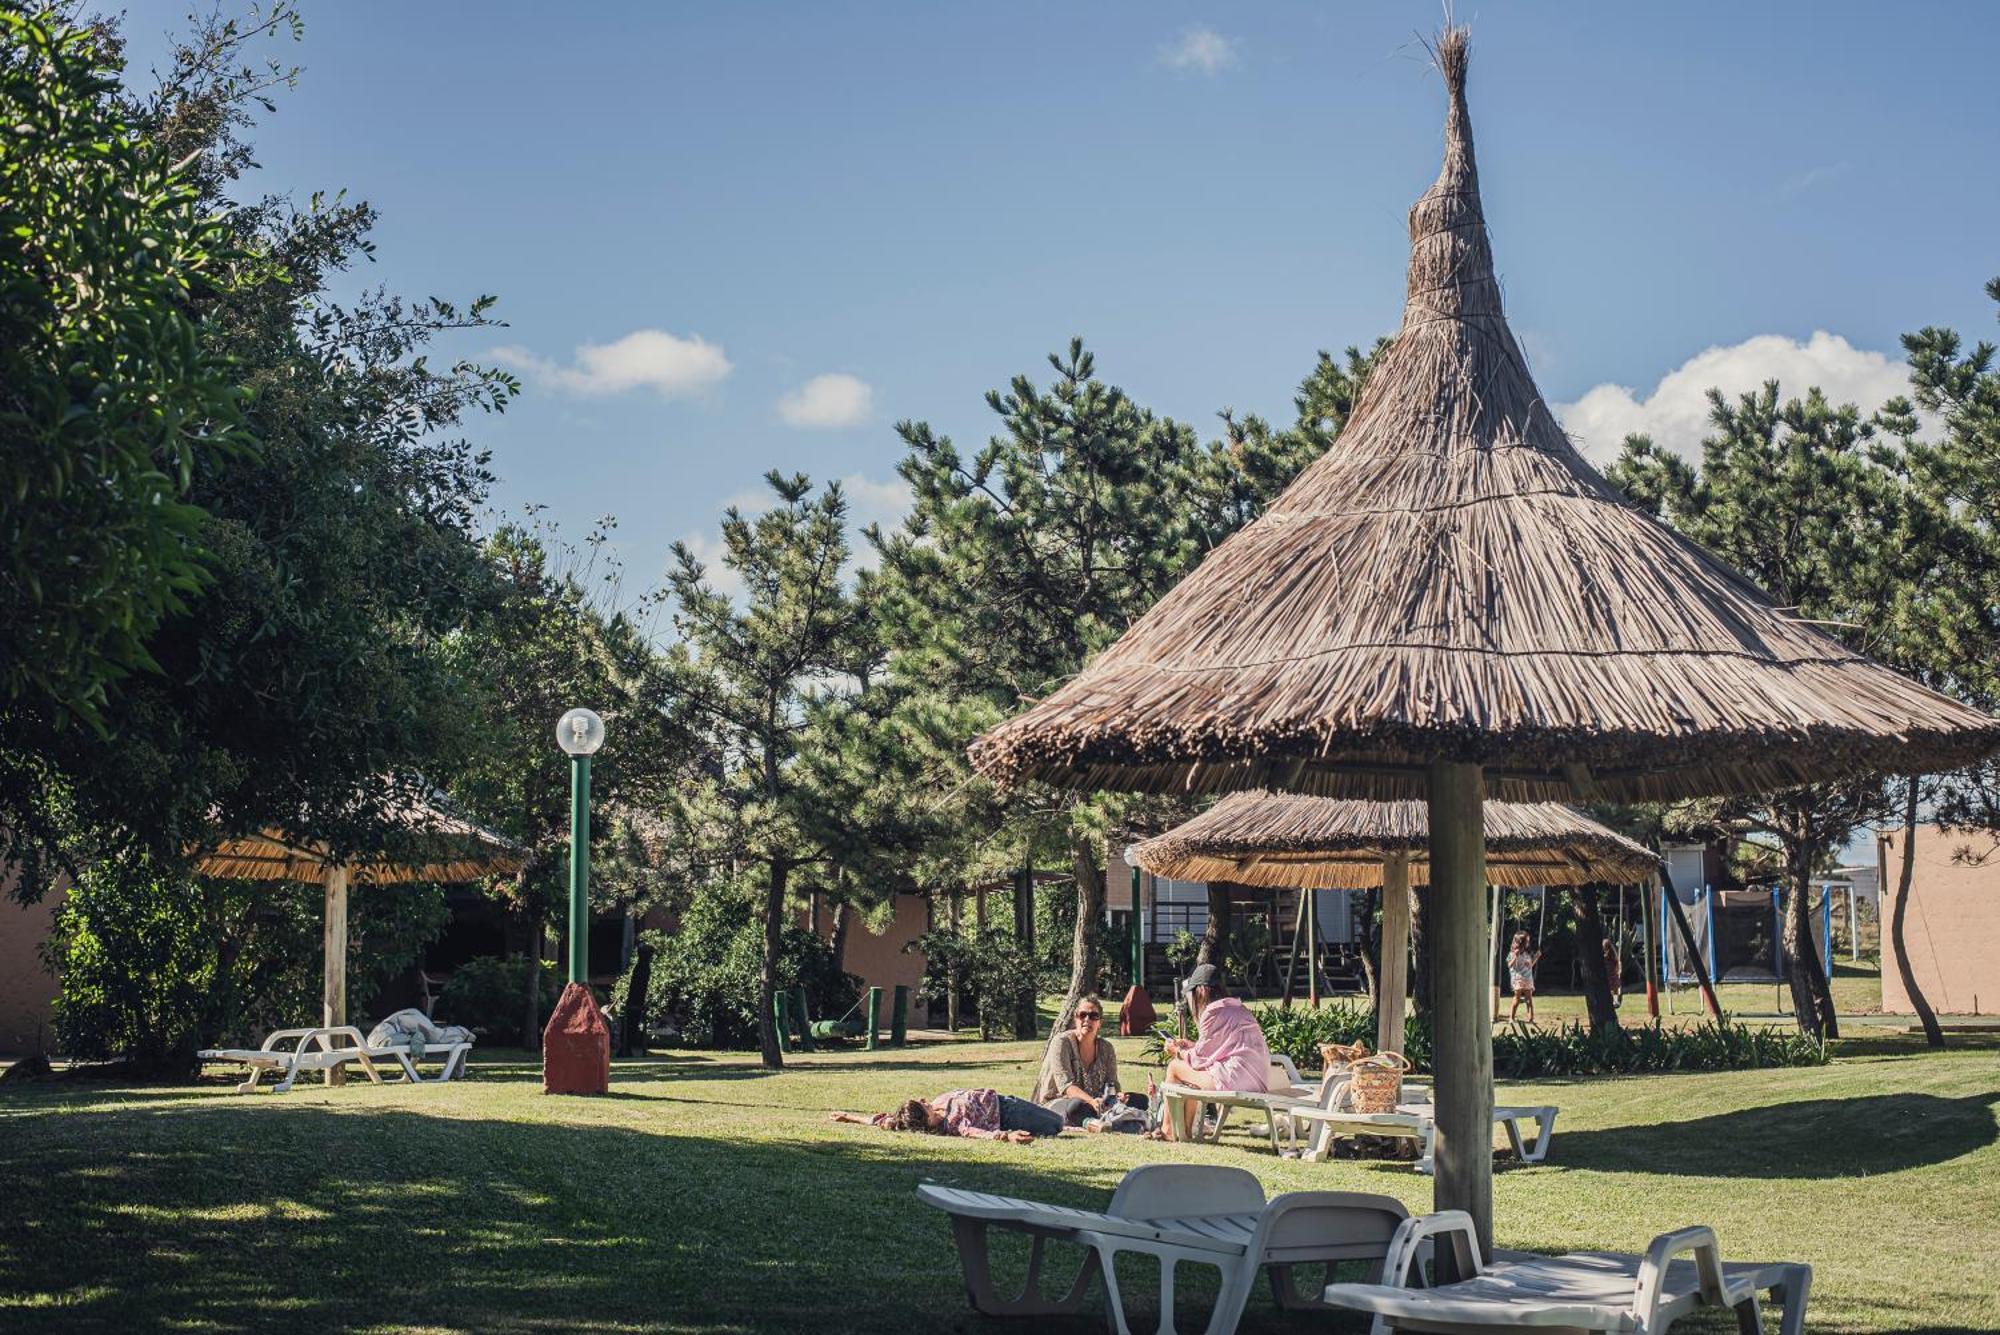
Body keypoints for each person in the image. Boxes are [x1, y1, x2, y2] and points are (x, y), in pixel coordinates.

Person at [1159, 964, 1271, 1141]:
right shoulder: (1239, 1009)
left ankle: (1169, 1130)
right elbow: (1222, 1048)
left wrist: (1177, 1051)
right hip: (1257, 1081)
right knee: (1191, 1074)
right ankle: (1184, 1132)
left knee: (1174, 1067)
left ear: (1202, 990)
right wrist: (1190, 1046)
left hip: (1234, 1080)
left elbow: (1198, 1060)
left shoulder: (1213, 1012)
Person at [1033, 994, 1143, 1127]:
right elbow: (1066, 1086)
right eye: (1082, 1015)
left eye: (1093, 1016)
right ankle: (1098, 1119)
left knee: (1140, 1100)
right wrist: (1091, 1101)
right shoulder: (1062, 1043)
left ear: (1099, 1023)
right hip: (1059, 1101)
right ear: (1075, 1019)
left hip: (1096, 1103)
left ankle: (1096, 1119)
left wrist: (1118, 1096)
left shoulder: (1106, 1048)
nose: (1087, 1019)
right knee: (1075, 1106)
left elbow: (1112, 1083)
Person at [829, 1087, 1062, 1142]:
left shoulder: (916, 1115)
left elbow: (883, 1121)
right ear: (926, 1119)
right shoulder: (953, 1124)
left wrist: (848, 1117)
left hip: (1003, 1097)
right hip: (1007, 1113)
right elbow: (975, 1132)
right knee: (1056, 1124)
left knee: (1056, 1120)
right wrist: (1007, 1136)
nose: (924, 1100)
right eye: (923, 1106)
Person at [1508, 931, 1541, 1024]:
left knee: (1529, 1000)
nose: (1528, 943)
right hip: (1517, 978)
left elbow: (1530, 966)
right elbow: (1510, 965)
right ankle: (1511, 1018)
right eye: (1527, 941)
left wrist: (1536, 957)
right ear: (1521, 942)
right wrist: (1515, 956)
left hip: (1528, 978)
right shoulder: (1512, 953)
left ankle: (1530, 1019)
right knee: (1517, 998)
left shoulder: (1527, 953)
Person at [1602, 936, 1623, 1008]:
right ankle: (1616, 1001)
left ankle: (1614, 1002)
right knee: (1615, 989)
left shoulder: (1606, 958)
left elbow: (1617, 967)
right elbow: (1618, 967)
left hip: (1610, 978)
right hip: (1613, 978)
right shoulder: (1613, 957)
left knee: (1612, 989)